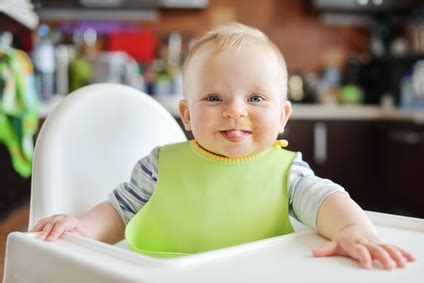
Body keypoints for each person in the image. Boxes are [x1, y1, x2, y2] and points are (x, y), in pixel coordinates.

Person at [31, 22, 414, 269]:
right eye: (214, 99)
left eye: (256, 99)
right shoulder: (160, 166)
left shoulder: (287, 173)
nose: (235, 112)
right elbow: (119, 211)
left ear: (282, 115)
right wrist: (82, 226)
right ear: (187, 114)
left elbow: (327, 199)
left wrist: (353, 229)